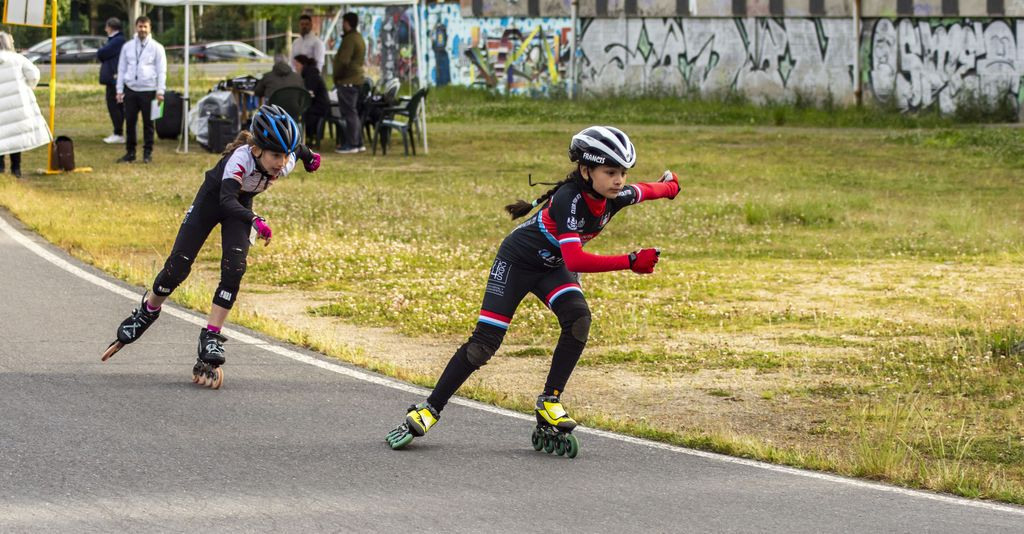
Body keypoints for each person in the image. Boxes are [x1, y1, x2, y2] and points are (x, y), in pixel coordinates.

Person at [385, 126, 680, 455]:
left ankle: (550, 401)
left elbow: (645, 190)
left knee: (578, 320)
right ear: (586, 171)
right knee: (483, 345)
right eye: (610, 172)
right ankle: (429, 408)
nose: (619, 181)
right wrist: (630, 261)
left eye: (623, 173)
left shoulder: (614, 197)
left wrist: (670, 187)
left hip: (551, 267)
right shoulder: (569, 199)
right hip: (517, 264)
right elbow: (575, 259)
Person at [101, 105, 322, 388]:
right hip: (214, 200)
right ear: (257, 149)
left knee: (234, 269)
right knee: (178, 266)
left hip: (239, 206)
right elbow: (227, 200)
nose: (282, 163)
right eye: (276, 156)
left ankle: (211, 336)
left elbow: (299, 150)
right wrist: (254, 220)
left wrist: (309, 158)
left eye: (286, 156)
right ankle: (148, 310)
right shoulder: (240, 159)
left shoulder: (285, 160)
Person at [0, 31, 52, 178]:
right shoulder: (18, 59)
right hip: (17, 103)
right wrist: (28, 86)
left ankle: (0, 168)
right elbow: (34, 75)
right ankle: (16, 169)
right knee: (15, 135)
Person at [116, 16, 166, 164]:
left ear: (150, 28)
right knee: (130, 122)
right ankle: (130, 153)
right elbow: (121, 68)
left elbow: (161, 71)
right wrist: (119, 89)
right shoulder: (127, 46)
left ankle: (147, 153)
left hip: (149, 90)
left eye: (145, 27)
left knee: (149, 124)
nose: (142, 29)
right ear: (136, 27)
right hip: (130, 89)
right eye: (140, 26)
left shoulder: (157, 47)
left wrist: (160, 91)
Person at [332, 12, 365, 154]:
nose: (342, 25)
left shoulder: (350, 39)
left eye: (343, 22)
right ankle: (358, 142)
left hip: (348, 81)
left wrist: (337, 76)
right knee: (353, 113)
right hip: (355, 80)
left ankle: (352, 144)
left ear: (346, 23)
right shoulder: (358, 37)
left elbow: (343, 61)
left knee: (349, 113)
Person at [97, 17, 126, 144]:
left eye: (107, 27)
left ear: (110, 27)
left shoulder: (118, 41)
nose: (105, 30)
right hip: (112, 78)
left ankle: (118, 132)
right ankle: (118, 131)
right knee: (115, 106)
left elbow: (102, 53)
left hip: (114, 79)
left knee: (115, 106)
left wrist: (101, 51)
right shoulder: (115, 40)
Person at [293, 55, 329, 147]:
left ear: (302, 64)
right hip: (318, 105)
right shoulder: (310, 74)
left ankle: (309, 138)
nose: (295, 68)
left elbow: (310, 95)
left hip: (319, 106)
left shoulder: (311, 76)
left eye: (296, 65)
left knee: (304, 113)